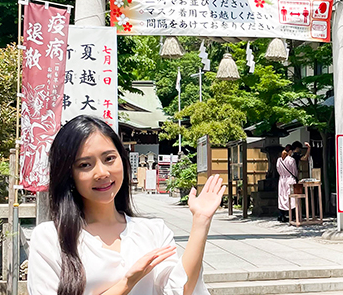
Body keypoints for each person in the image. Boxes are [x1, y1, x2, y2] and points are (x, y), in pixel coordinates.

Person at [27, 115, 225, 295]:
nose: (102, 172)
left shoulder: (153, 231)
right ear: (69, 175)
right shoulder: (51, 238)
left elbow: (180, 290)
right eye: (85, 165)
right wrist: (126, 283)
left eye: (109, 159)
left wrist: (201, 220)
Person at [275, 149, 297, 222]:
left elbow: (278, 169)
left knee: (282, 197)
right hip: (290, 179)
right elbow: (294, 171)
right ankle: (292, 215)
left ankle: (282, 214)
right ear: (290, 151)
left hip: (282, 179)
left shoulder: (279, 160)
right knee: (291, 197)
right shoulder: (291, 160)